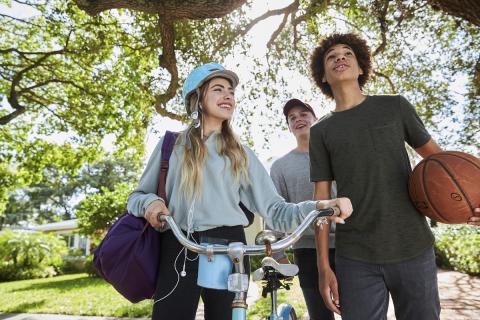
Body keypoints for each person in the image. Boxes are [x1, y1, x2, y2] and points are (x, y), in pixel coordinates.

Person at [127, 62, 353, 320]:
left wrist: (318, 207)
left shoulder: (241, 154)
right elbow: (136, 197)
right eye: (218, 89)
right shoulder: (172, 145)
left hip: (230, 249)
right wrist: (151, 204)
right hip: (179, 245)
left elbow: (275, 210)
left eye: (231, 91)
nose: (228, 96)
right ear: (198, 99)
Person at [308, 33, 448, 320]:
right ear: (323, 76)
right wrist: (324, 266)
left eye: (347, 53)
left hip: (413, 247)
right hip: (355, 256)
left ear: (361, 68)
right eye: (331, 57)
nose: (340, 58)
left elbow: (440, 163)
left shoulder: (394, 106)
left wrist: (472, 200)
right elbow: (320, 200)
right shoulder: (320, 131)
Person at [269, 98, 337, 320]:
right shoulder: (280, 167)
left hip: (348, 246)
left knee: (358, 312)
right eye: (292, 118)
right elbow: (275, 210)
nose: (298, 119)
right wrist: (278, 253)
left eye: (304, 114)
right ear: (289, 127)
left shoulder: (338, 155)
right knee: (320, 315)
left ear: (316, 119)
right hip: (307, 251)